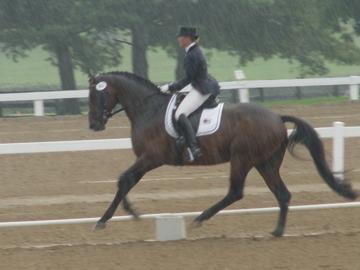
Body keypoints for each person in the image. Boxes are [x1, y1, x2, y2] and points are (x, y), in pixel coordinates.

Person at [160, 26, 220, 161]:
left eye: (180, 37)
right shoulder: (193, 51)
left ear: (187, 38)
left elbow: (188, 79)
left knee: (179, 114)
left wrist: (170, 87)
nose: (178, 39)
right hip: (202, 84)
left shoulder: (192, 55)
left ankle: (193, 148)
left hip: (201, 88)